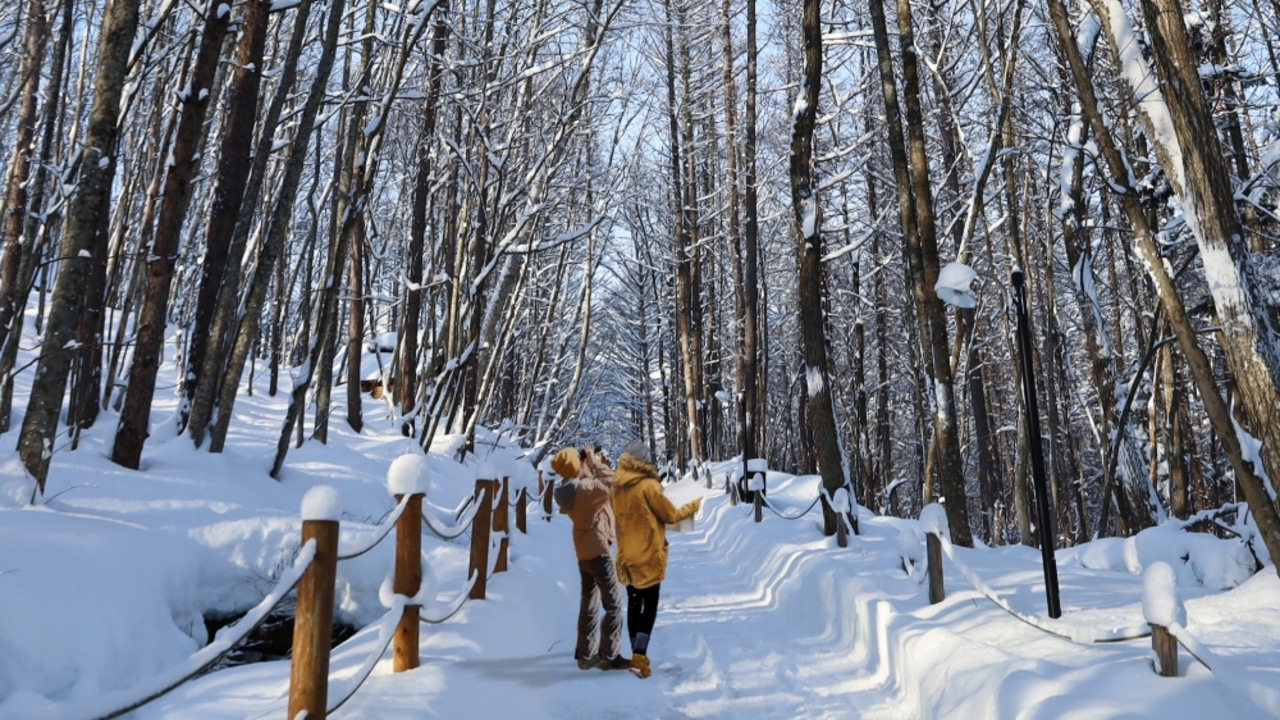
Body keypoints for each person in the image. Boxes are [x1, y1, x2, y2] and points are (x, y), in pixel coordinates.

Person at [611, 440, 700, 679]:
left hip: (626, 555)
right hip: (648, 555)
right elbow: (669, 515)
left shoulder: (616, 486)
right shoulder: (649, 486)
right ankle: (640, 654)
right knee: (649, 605)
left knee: (633, 603)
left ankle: (634, 653)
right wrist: (693, 507)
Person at [550, 445, 631, 671]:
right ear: (576, 467)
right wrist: (595, 464)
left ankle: (585, 655)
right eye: (580, 461)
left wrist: (585, 470)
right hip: (598, 552)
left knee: (590, 603)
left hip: (584, 552)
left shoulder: (568, 490)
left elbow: (595, 491)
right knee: (614, 604)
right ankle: (609, 656)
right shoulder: (585, 490)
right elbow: (614, 483)